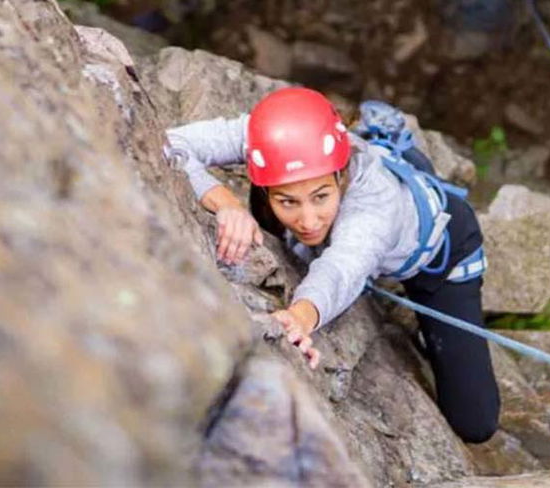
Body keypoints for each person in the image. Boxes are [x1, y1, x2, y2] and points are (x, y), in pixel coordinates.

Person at [165, 88, 500, 443]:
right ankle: (377, 144)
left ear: (341, 176)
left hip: (442, 251)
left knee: (474, 422)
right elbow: (172, 144)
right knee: (275, 205)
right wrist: (226, 203)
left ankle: (388, 142)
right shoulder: (272, 137)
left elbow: (342, 268)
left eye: (320, 197)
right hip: (372, 185)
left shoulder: (373, 210)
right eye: (288, 201)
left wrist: (301, 316)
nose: (308, 220)